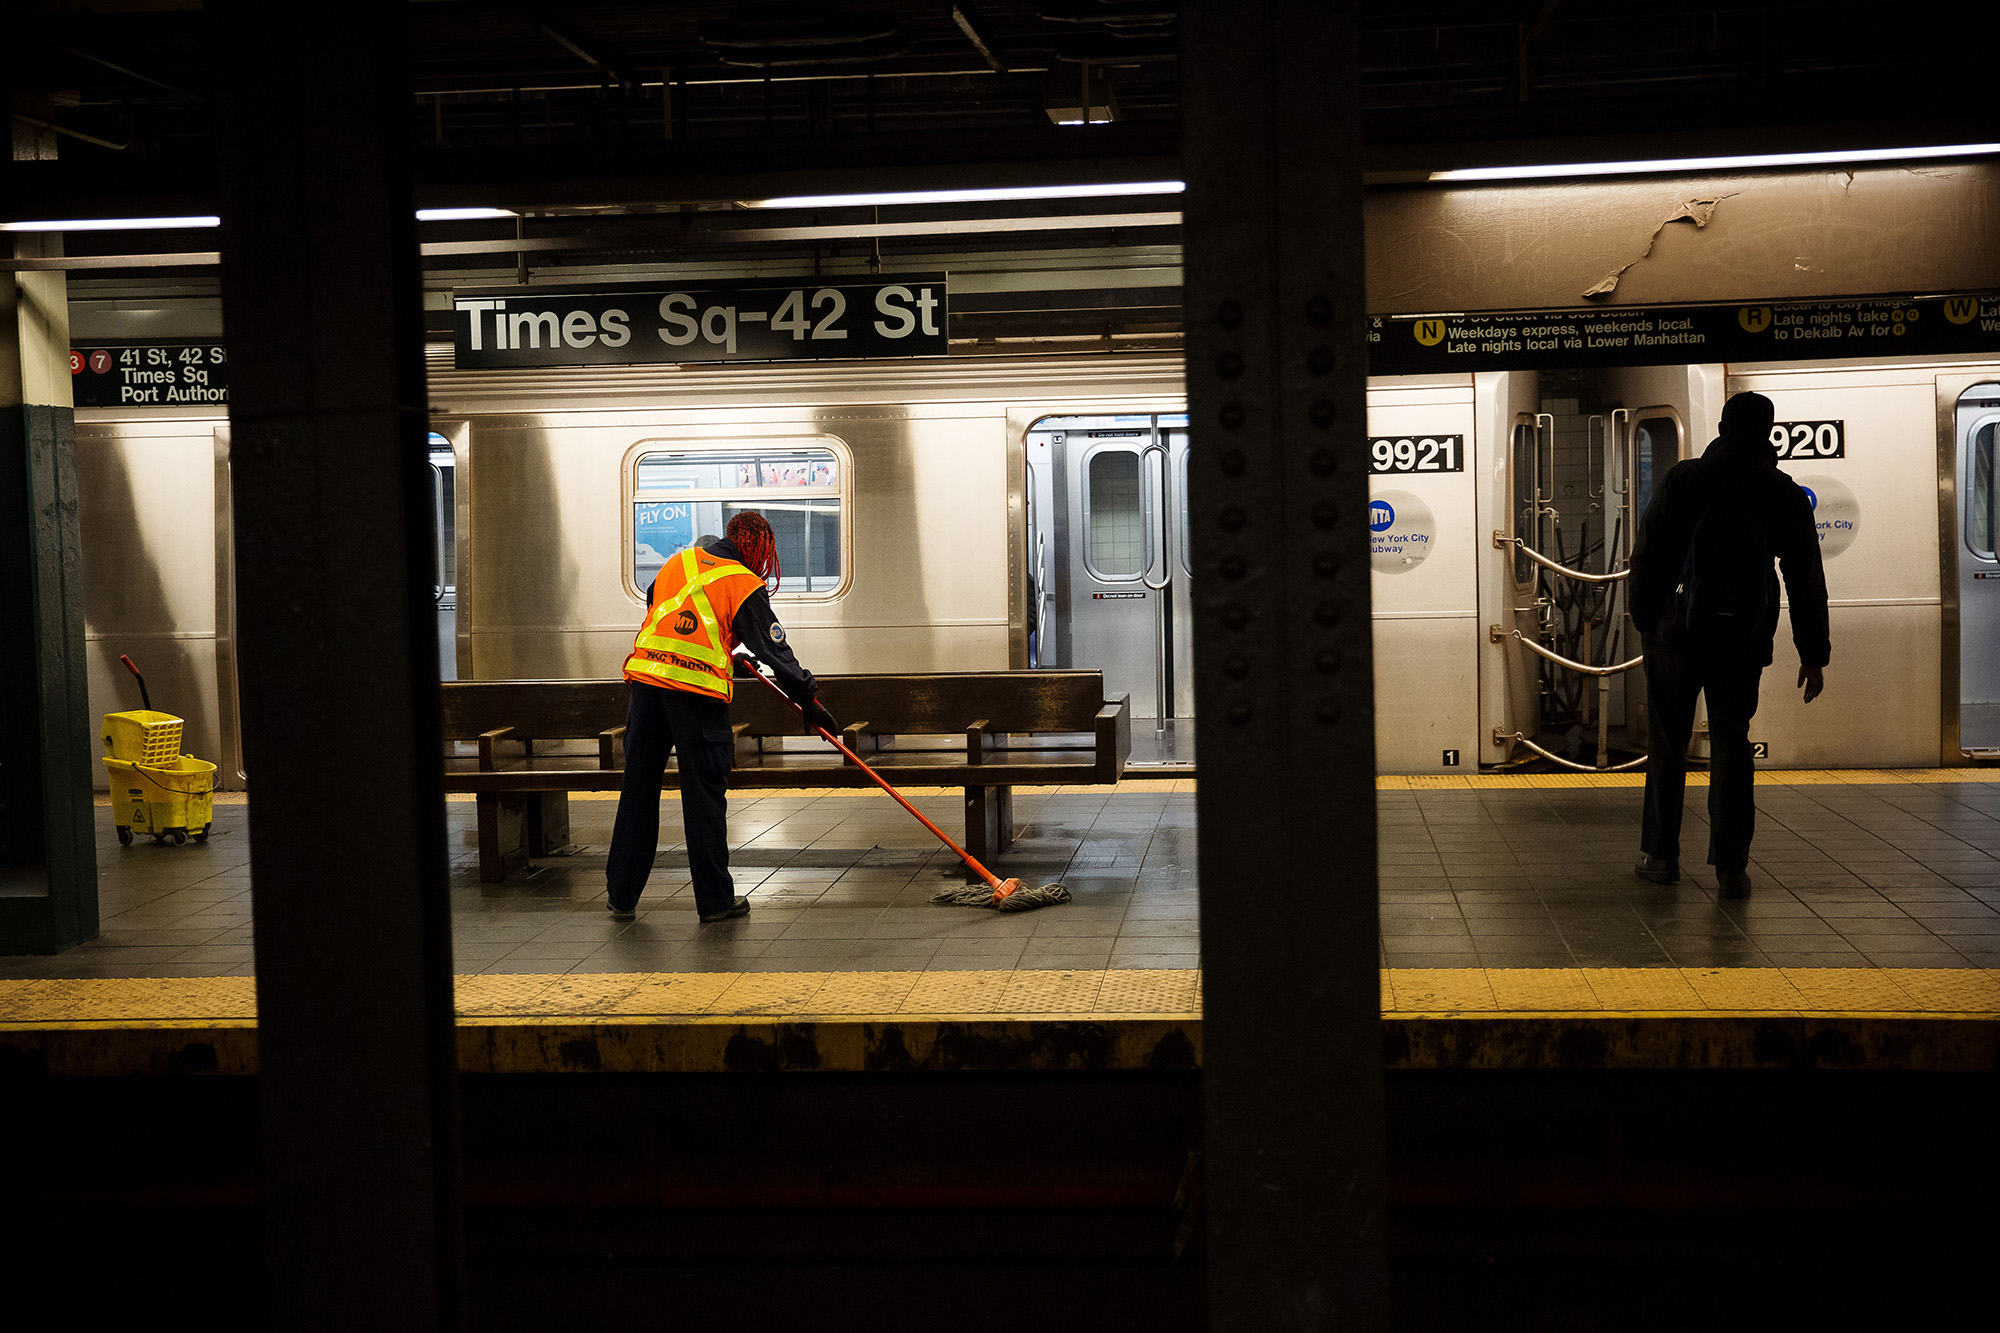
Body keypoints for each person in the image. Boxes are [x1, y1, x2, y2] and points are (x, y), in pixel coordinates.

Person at [1626, 391, 1830, 899]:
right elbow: (1805, 577)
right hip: (1742, 636)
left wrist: (1647, 619)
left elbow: (1647, 556)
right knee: (1732, 746)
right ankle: (1731, 867)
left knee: (1669, 743)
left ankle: (1660, 856)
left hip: (1675, 633)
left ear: (1721, 426)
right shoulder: (1781, 491)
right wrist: (1813, 653)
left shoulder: (1685, 479)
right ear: (1769, 432)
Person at [606, 511, 837, 922]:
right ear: (755, 549)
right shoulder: (743, 582)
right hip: (696, 698)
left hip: (646, 687)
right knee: (703, 796)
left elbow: (665, 614)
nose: (765, 564)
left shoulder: (678, 563)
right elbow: (773, 650)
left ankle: (621, 895)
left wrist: (724, 638)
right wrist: (810, 699)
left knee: (638, 789)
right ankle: (714, 901)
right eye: (765, 554)